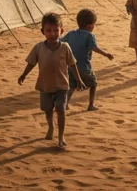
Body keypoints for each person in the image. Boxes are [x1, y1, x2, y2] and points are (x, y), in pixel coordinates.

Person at [18, 13, 86, 149]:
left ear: (61, 30)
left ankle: (61, 136)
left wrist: (79, 80)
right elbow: (31, 63)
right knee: (47, 110)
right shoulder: (38, 48)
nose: (53, 33)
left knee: (60, 109)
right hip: (45, 86)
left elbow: (72, 64)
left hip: (61, 86)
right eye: (49, 30)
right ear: (43, 31)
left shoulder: (65, 47)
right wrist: (24, 74)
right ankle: (51, 127)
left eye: (56, 30)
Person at [61, 9, 115, 111]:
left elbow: (60, 41)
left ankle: (65, 104)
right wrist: (106, 54)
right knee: (93, 84)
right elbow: (94, 48)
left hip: (71, 67)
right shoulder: (90, 36)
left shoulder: (71, 33)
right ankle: (91, 105)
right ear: (89, 26)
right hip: (84, 67)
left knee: (72, 85)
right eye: (94, 25)